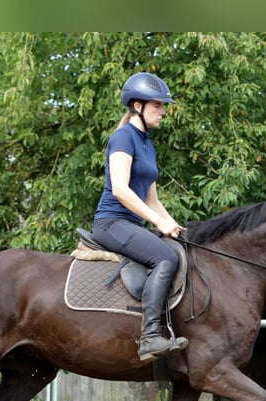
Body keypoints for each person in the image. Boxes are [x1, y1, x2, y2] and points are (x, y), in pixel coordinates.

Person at [92, 71, 189, 362]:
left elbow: (152, 199)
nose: (163, 111)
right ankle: (149, 338)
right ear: (138, 106)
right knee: (165, 258)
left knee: (179, 249)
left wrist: (174, 225)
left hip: (131, 224)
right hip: (111, 223)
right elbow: (121, 190)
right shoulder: (123, 138)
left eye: (163, 106)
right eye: (157, 105)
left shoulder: (147, 143)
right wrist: (158, 223)